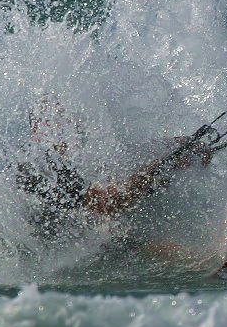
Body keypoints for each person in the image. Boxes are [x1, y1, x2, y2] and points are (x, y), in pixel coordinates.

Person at [15, 97, 213, 234]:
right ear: (37, 133)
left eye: (68, 118)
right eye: (53, 121)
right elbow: (107, 205)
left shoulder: (82, 155)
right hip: (65, 249)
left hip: (97, 229)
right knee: (125, 231)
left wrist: (183, 145)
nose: (68, 125)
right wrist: (163, 165)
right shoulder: (40, 171)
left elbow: (134, 151)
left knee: (155, 183)